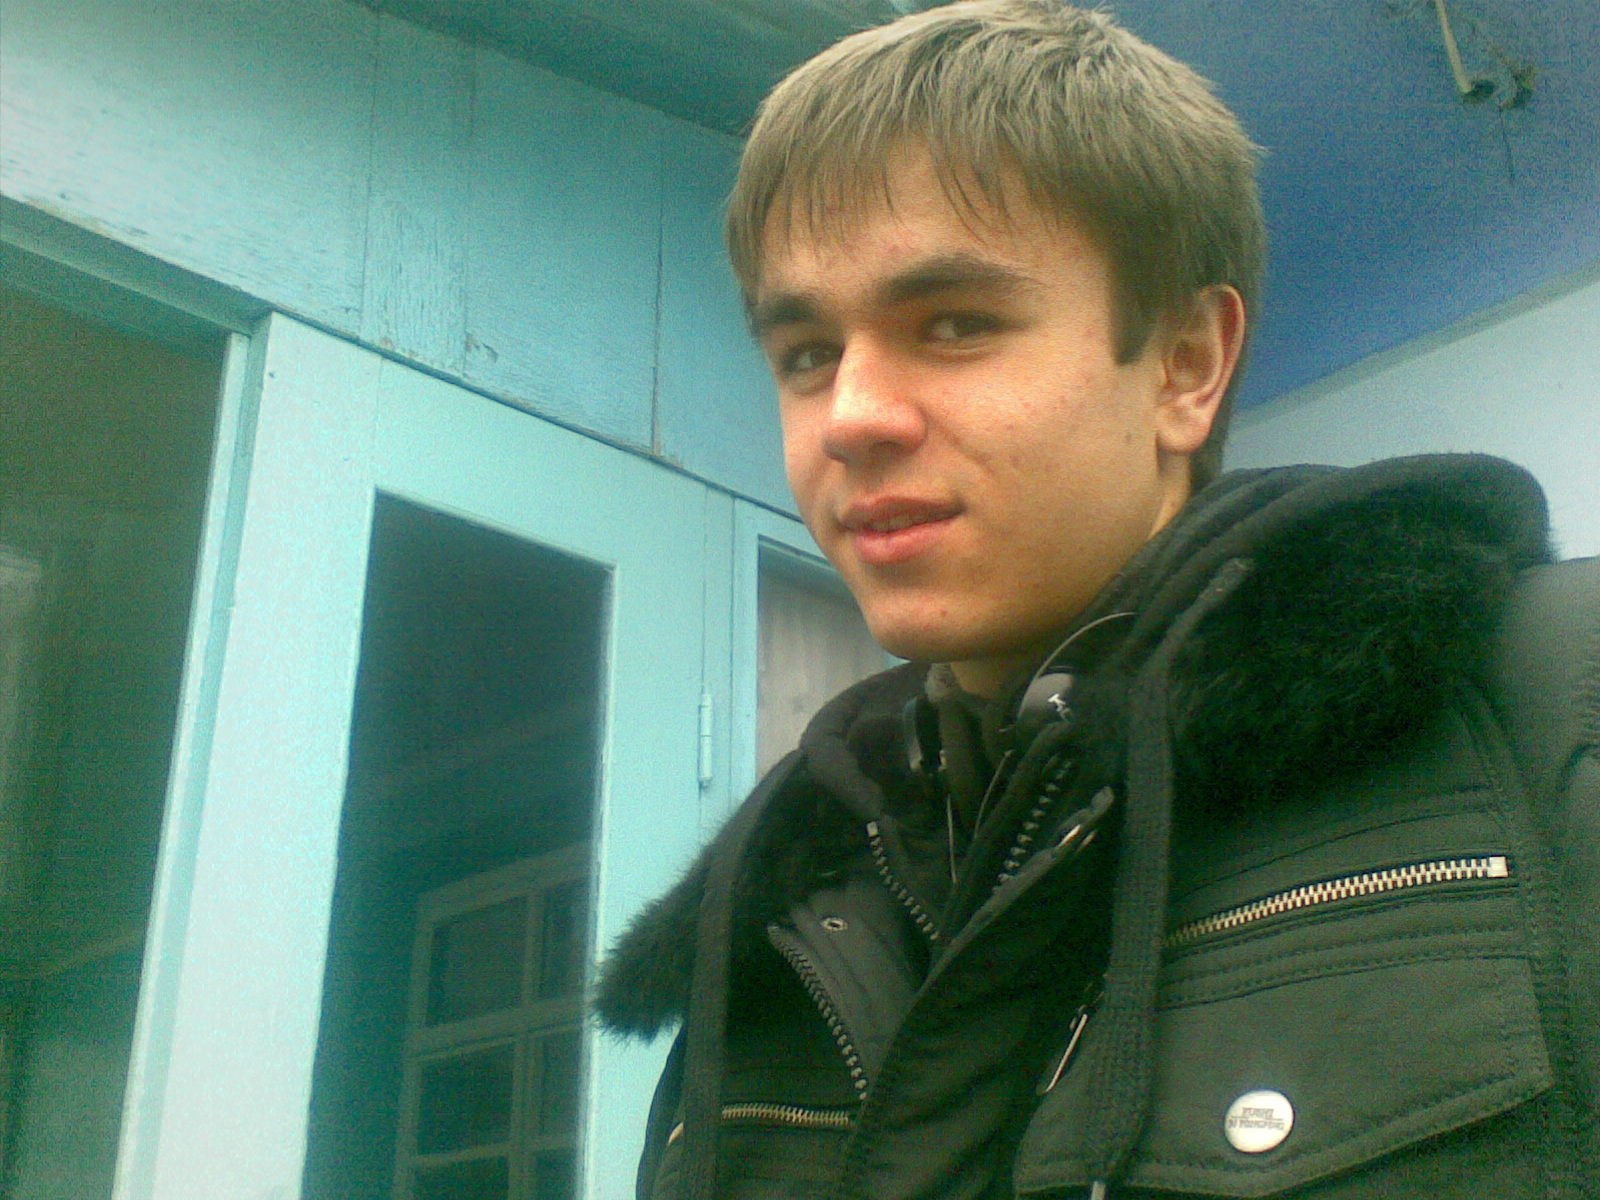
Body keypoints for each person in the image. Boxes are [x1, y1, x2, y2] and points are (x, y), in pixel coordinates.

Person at [595, 2, 1599, 1197]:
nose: (849, 416)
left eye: (953, 324)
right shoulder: (766, 925)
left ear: (1185, 365)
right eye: (807, 353)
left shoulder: (1543, 711)